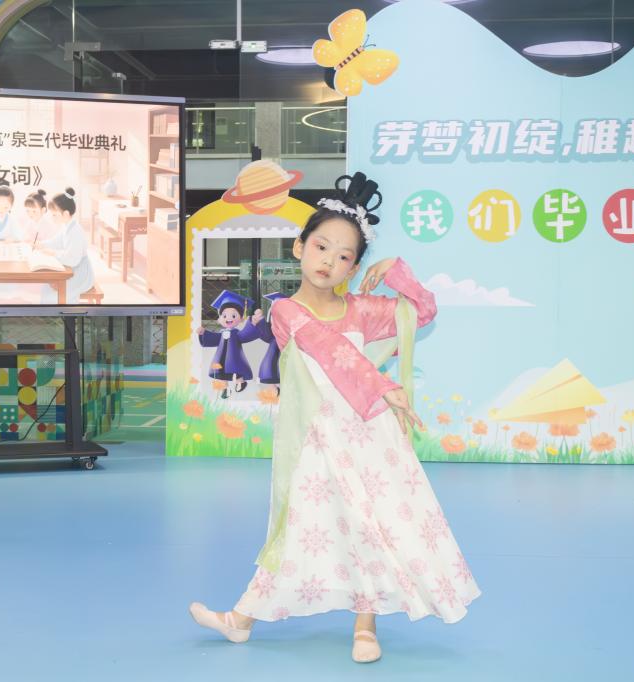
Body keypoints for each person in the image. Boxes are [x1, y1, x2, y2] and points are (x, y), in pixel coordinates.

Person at [189, 172, 481, 663]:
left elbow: (421, 312)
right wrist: (384, 387)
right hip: (316, 438)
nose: (329, 261)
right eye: (321, 247)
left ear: (354, 267)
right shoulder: (285, 311)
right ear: (299, 247)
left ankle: (365, 627)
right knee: (296, 528)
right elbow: (329, 351)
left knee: (372, 523)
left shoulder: (361, 309)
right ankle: (241, 619)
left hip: (369, 435)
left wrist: (395, 271)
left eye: (344, 256)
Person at [196, 290, 261, 398]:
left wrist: (252, 324)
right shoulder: (222, 333)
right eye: (224, 316)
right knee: (220, 371)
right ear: (219, 318)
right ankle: (225, 388)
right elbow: (214, 338)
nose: (229, 319)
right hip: (221, 357)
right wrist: (203, 333)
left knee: (236, 369)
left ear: (241, 318)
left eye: (234, 316)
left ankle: (240, 382)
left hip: (234, 357)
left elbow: (245, 335)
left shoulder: (236, 333)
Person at [37, 187, 94, 304]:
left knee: (54, 294)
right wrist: (41, 245)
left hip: (80, 273)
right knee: (46, 288)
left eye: (54, 215)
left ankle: (65, 314)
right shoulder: (67, 226)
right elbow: (56, 241)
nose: (52, 218)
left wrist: (53, 253)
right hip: (72, 269)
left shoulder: (75, 231)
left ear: (66, 214)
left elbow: (72, 259)